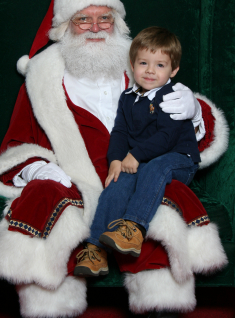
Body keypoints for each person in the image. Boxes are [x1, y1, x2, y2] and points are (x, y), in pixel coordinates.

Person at [0, 0, 228, 318]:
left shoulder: (141, 63)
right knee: (48, 199)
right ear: (66, 26)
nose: (95, 28)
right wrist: (39, 166)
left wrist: (193, 110)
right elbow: (18, 140)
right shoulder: (42, 77)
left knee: (160, 199)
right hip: (73, 176)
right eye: (84, 19)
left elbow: (182, 128)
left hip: (135, 169)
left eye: (105, 18)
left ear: (117, 23)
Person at [74, 26, 201, 277]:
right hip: (142, 159)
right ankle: (96, 249)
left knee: (156, 167)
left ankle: (133, 228)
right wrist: (116, 160)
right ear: (132, 65)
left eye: (160, 65)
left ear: (173, 70)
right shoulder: (127, 97)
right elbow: (120, 132)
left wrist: (136, 155)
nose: (150, 71)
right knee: (118, 182)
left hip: (178, 159)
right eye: (144, 63)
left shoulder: (173, 96)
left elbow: (167, 137)